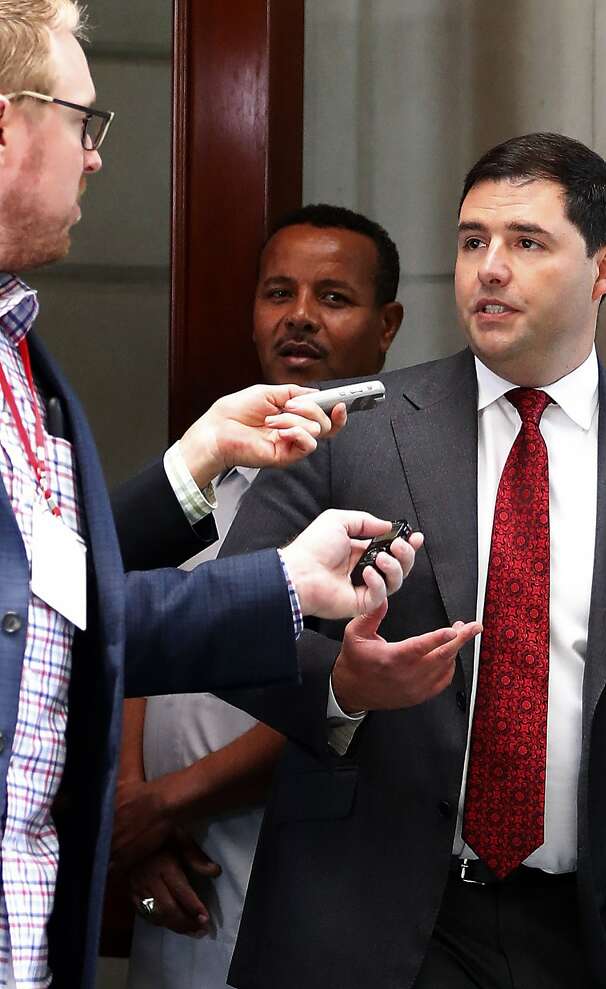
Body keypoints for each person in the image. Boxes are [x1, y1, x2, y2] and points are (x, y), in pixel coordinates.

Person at [219, 132, 606, 989]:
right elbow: (228, 622)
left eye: (526, 242)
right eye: (473, 241)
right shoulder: (353, 425)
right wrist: (343, 684)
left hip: (581, 938)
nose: (490, 268)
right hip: (358, 926)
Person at [0, 4, 433, 986]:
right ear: (5, 126)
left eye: (335, 298)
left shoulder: (20, 350)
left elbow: (62, 588)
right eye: (83, 122)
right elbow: (38, 615)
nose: (98, 157)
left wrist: (187, 465)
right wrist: (280, 583)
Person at [114, 204, 406, 988]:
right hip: (171, 866)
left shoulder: (395, 484)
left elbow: (348, 698)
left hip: (295, 858)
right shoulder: (204, 470)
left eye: (333, 298)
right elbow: (133, 619)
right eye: (279, 293)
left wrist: (162, 804)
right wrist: (130, 814)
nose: (300, 317)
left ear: (387, 325)